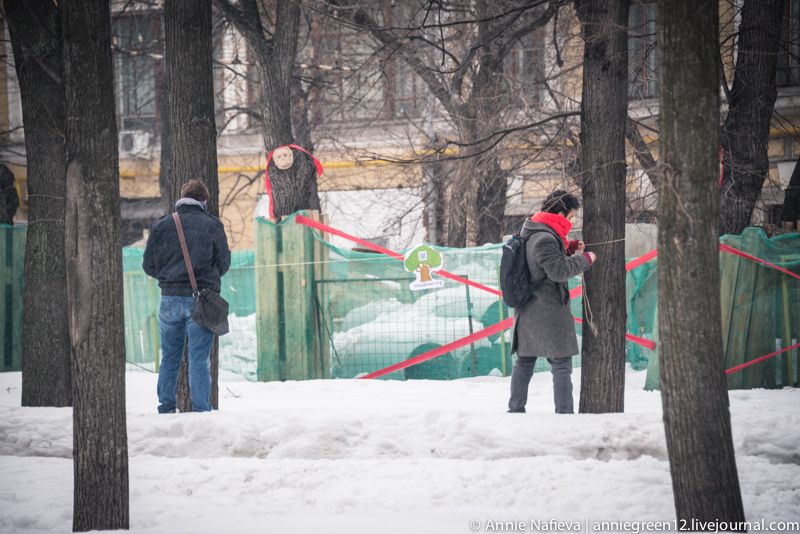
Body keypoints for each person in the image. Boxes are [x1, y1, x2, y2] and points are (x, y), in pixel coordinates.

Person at [143, 180, 231, 413]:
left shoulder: (161, 226)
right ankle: (202, 410)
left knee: (169, 358)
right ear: (204, 201)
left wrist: (169, 279)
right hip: (200, 300)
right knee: (199, 359)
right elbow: (224, 263)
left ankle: (166, 407)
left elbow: (148, 265)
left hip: (169, 300)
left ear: (182, 198)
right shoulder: (212, 225)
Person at [508, 190, 596, 414]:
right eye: (571, 215)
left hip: (527, 310)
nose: (571, 220)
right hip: (546, 312)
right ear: (561, 212)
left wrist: (567, 249)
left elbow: (538, 262)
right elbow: (557, 271)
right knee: (561, 366)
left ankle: (515, 410)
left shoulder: (531, 230)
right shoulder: (545, 238)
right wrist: (584, 259)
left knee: (525, 363)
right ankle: (564, 415)